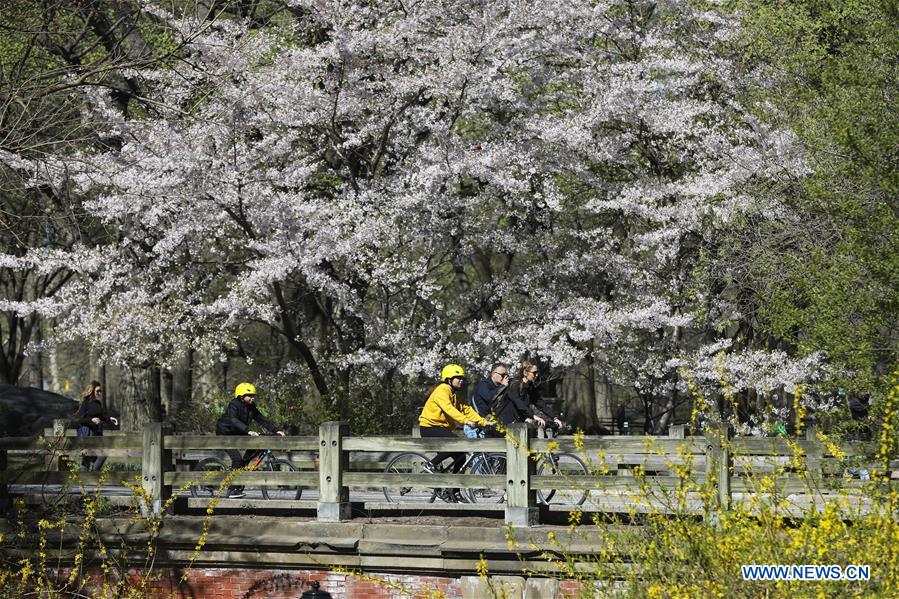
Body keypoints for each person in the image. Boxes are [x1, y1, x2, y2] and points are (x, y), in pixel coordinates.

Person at [418, 363, 490, 502]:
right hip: (429, 427)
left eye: (462, 378)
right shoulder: (442, 390)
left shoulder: (453, 394)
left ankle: (454, 492)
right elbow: (449, 409)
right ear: (449, 379)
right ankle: (430, 465)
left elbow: (466, 409)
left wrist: (483, 421)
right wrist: (466, 421)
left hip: (441, 428)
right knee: (455, 443)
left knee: (461, 457)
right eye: (458, 378)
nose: (461, 380)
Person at [215, 382, 285, 498]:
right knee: (237, 459)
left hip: (238, 433)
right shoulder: (234, 404)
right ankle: (232, 490)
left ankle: (240, 472)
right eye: (250, 396)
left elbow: (261, 418)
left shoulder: (251, 406)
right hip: (225, 434)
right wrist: (248, 431)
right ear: (242, 397)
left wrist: (275, 430)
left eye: (253, 396)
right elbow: (233, 420)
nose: (253, 398)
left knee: (253, 447)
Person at [492, 361, 563, 432]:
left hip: (517, 422)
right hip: (505, 421)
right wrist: (533, 416)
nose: (537, 375)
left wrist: (555, 417)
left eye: (537, 372)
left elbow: (541, 404)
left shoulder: (530, 387)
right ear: (525, 373)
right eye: (534, 373)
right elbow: (519, 403)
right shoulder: (514, 384)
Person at [73, 381, 118, 472]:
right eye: (98, 391)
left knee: (103, 454)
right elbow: (77, 418)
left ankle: (94, 474)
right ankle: (84, 481)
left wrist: (110, 419)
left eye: (100, 391)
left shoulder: (98, 403)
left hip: (97, 433)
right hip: (87, 433)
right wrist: (91, 420)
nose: (99, 393)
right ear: (92, 390)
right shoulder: (86, 403)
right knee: (87, 459)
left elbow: (101, 417)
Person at [464, 362, 509, 439]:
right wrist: (502, 386)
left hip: (489, 426)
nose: (505, 378)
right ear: (493, 374)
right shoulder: (483, 385)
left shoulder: (499, 387)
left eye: (506, 375)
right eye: (502, 375)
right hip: (475, 427)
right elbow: (490, 398)